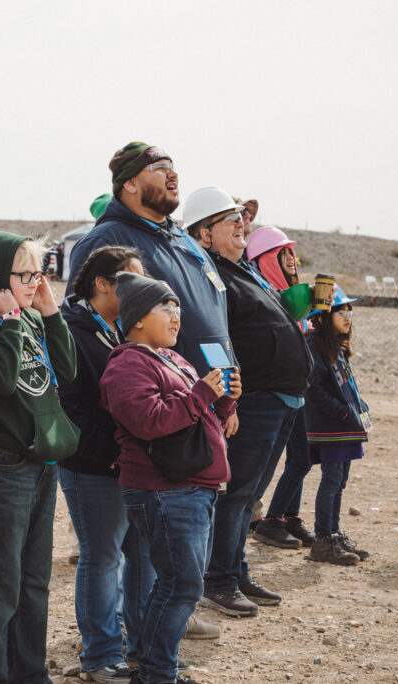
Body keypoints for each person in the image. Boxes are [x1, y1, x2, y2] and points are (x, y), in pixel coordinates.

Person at [0, 229, 79, 683]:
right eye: (23, 273)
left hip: (42, 462)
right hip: (5, 463)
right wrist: (8, 322)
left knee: (35, 581)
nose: (33, 281)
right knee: (2, 581)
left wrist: (50, 312)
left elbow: (67, 371)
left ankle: (30, 672)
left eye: (38, 272)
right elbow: (3, 380)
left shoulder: (30, 317)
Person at [101, 272, 239, 684]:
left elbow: (200, 418)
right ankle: (158, 672)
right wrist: (201, 394)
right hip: (165, 490)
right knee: (181, 586)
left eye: (177, 307)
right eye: (166, 307)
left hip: (192, 488)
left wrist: (226, 401)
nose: (176, 316)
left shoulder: (173, 359)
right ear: (137, 319)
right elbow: (149, 420)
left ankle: (150, 659)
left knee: (176, 583)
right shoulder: (127, 363)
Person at [182, 187, 312, 618]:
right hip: (253, 399)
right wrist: (228, 401)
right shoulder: (207, 276)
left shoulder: (240, 270)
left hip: (281, 399)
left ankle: (235, 571)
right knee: (236, 493)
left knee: (251, 493)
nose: (242, 224)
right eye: (229, 220)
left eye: (241, 217)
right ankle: (217, 580)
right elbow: (213, 339)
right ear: (204, 234)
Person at [58, 246, 166, 682]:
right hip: (92, 468)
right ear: (102, 284)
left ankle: (139, 650)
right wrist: (113, 454)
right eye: (130, 280)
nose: (141, 289)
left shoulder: (122, 329)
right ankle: (101, 656)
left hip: (131, 468)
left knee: (141, 557)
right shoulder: (70, 330)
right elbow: (71, 408)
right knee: (102, 559)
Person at [67, 143, 238, 382]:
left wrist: (228, 390)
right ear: (130, 183)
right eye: (160, 167)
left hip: (216, 394)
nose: (173, 174)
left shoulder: (184, 240)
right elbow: (86, 332)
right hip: (162, 402)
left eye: (172, 166)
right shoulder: (107, 240)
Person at [246, 227, 318, 548]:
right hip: (273, 390)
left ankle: (287, 517)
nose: (291, 259)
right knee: (295, 458)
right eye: (282, 253)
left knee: (299, 457)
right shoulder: (261, 293)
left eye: (291, 253)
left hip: (296, 386)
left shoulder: (289, 295)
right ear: (266, 260)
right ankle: (272, 521)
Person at [304, 289, 371, 565]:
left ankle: (334, 533)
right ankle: (323, 541)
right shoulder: (314, 345)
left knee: (340, 482)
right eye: (341, 312)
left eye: (350, 311)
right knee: (331, 481)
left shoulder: (337, 347)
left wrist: (359, 408)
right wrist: (344, 413)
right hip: (332, 427)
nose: (348, 317)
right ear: (324, 316)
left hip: (345, 424)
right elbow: (315, 390)